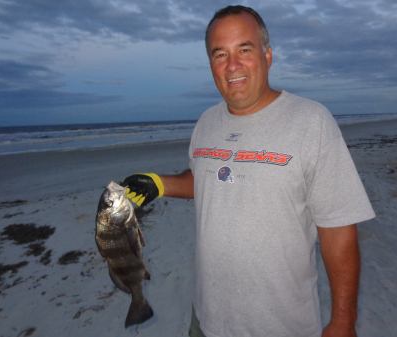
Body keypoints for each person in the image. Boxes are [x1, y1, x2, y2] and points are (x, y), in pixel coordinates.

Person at [122, 5, 375, 337]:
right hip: (207, 321)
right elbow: (207, 180)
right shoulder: (206, 122)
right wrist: (160, 183)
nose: (232, 66)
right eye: (220, 54)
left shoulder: (311, 122)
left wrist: (343, 320)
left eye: (244, 49)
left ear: (268, 55)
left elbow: (339, 231)